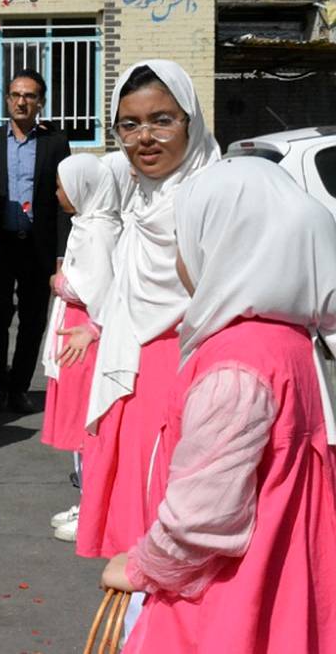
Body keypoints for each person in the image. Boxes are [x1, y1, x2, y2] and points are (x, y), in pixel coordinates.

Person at [103, 156, 336, 653]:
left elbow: (202, 517)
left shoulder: (235, 363)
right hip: (287, 580)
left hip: (229, 605)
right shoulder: (290, 339)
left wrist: (143, 565)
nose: (179, 260)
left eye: (183, 242)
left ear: (221, 246)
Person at [78, 60, 220, 566]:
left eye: (163, 120)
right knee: (138, 519)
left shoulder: (213, 196)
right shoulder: (140, 196)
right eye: (130, 124)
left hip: (191, 370)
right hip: (132, 369)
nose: (145, 137)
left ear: (191, 121)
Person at [38, 154, 121, 543]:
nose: (58, 193)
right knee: (76, 425)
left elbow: (101, 290)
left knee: (87, 424)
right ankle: (86, 497)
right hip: (73, 331)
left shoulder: (101, 230)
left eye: (62, 185)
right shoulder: (84, 224)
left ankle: (94, 505)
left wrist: (61, 283)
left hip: (85, 336)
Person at [0, 70, 72, 415]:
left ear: (41, 103)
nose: (22, 102)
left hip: (38, 245)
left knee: (33, 319)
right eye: (16, 95)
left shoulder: (55, 142)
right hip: (0, 245)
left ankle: (19, 386)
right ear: (7, 99)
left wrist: (62, 254)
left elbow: (64, 201)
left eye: (30, 96)